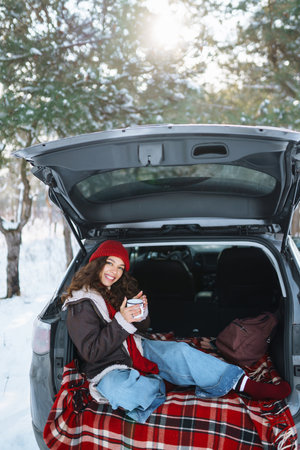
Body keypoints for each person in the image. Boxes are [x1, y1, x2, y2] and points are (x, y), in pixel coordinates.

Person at [62, 240, 291, 424]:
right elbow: (91, 352)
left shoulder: (113, 291)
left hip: (133, 348)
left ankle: (246, 385)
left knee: (181, 351)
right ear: (96, 263)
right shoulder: (80, 302)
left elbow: (141, 328)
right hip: (105, 367)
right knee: (126, 392)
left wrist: (140, 314)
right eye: (110, 263)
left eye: (121, 267)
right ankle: (161, 382)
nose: (115, 271)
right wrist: (122, 320)